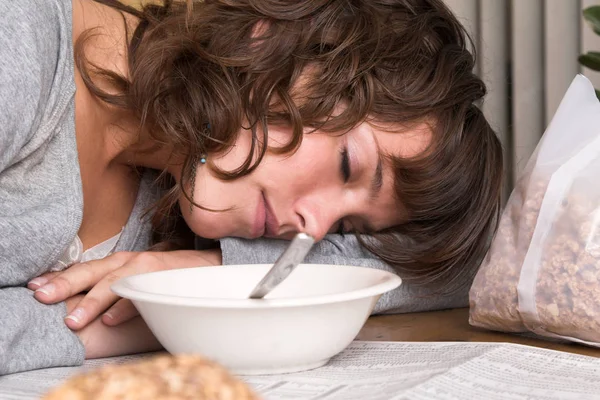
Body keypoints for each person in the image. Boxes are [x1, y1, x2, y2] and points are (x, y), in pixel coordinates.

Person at [0, 0, 503, 374]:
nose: (315, 229)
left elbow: (462, 276)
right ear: (275, 38)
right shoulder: (22, 44)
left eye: (348, 225)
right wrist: (158, 314)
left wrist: (214, 277)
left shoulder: (177, 175)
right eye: (349, 164)